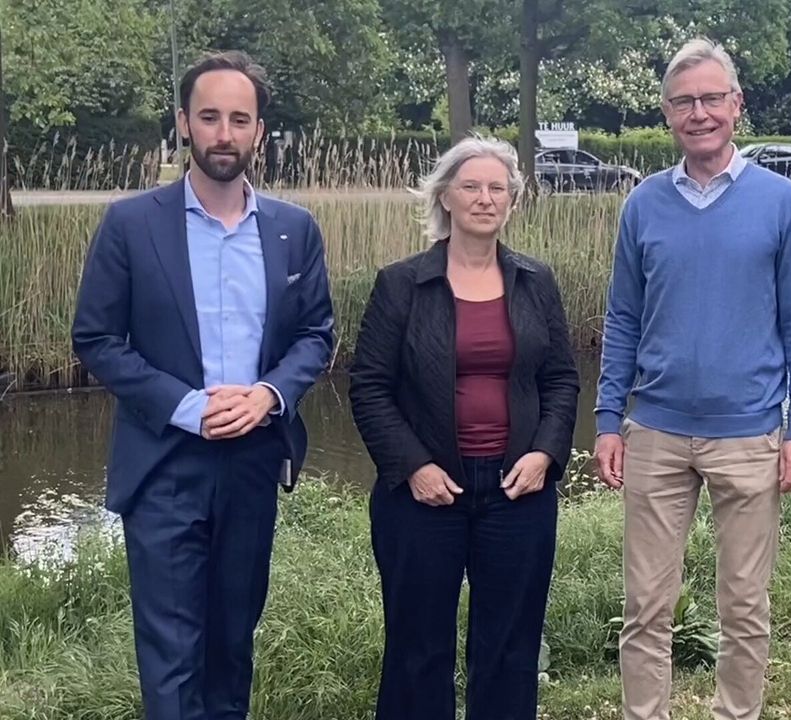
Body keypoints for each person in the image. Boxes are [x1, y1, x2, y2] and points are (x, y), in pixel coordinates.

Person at [71, 50, 335, 720]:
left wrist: (268, 395)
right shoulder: (130, 224)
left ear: (259, 133)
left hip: (251, 460)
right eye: (210, 117)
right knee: (171, 656)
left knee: (230, 645)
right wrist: (186, 407)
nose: (225, 133)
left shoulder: (292, 230)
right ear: (184, 123)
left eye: (239, 119)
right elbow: (96, 339)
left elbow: (315, 336)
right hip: (164, 462)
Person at [593, 37, 791, 720]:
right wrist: (608, 419)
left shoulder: (783, 205)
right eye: (685, 101)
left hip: (749, 434)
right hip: (656, 432)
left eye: (712, 98)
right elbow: (623, 320)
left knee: (745, 607)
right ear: (667, 113)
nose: (700, 112)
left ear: (737, 105)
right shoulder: (643, 206)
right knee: (644, 608)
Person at [348, 136, 579, 720]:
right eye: (470, 186)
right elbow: (369, 386)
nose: (484, 198)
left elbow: (561, 381)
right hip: (425, 495)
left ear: (512, 201)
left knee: (508, 647)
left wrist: (547, 454)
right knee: (417, 648)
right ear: (445, 196)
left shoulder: (535, 281)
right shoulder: (402, 283)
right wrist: (414, 466)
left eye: (497, 188)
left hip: (515, 492)